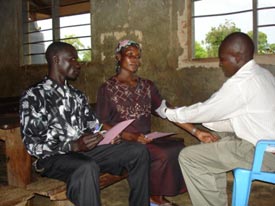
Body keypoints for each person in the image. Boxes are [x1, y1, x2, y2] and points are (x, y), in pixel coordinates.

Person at [19, 41, 150, 206]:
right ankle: (80, 189)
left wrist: (105, 136)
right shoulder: (34, 96)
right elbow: (33, 145)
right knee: (86, 167)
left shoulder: (77, 95)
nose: (78, 64)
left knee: (137, 150)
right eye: (72, 59)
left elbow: (93, 125)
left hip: (84, 152)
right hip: (54, 157)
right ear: (56, 59)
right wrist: (72, 146)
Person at [157, 32, 275, 206]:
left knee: (190, 158)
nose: (220, 63)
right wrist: (202, 128)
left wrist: (169, 112)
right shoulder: (263, 74)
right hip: (262, 142)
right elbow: (234, 118)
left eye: (222, 59)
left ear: (237, 56)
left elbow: (206, 110)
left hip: (264, 153)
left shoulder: (242, 84)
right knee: (212, 139)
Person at [95, 40, 216, 206]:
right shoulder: (107, 88)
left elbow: (166, 110)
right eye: (130, 55)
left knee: (176, 147)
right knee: (161, 154)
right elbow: (101, 123)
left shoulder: (146, 86)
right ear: (118, 57)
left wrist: (196, 132)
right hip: (123, 141)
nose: (135, 60)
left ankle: (155, 193)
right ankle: (153, 197)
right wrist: (128, 135)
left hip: (145, 137)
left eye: (138, 57)